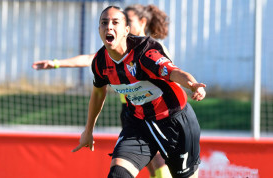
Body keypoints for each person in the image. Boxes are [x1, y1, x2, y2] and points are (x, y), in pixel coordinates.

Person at [32, 4, 172, 178]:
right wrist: (57, 63)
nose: (113, 26)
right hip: (132, 114)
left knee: (160, 162)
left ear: (140, 23)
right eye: (107, 22)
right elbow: (90, 60)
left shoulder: (153, 51)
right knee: (150, 166)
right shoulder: (114, 53)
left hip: (159, 113)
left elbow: (172, 82)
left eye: (123, 21)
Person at [72, 6, 206, 178]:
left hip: (175, 121)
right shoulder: (100, 63)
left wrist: (193, 84)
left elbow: (174, 72)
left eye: (115, 22)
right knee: (117, 175)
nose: (109, 27)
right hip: (138, 123)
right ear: (99, 29)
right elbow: (98, 93)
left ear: (126, 30)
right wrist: (88, 130)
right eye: (104, 23)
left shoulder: (145, 52)